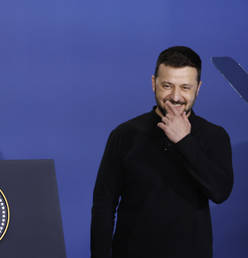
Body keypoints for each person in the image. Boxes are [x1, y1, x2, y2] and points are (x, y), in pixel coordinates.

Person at [91, 46, 233, 258]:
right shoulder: (125, 134)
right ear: (153, 83)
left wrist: (184, 141)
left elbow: (220, 192)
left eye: (185, 87)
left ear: (198, 88)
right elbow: (104, 204)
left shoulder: (214, 135)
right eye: (167, 85)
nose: (175, 97)